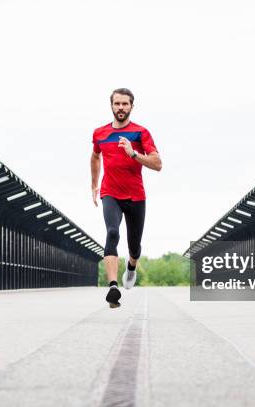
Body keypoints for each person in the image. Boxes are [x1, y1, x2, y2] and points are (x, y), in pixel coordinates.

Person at [90, 88, 162, 308]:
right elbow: (95, 156)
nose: (120, 108)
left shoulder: (141, 133)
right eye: (117, 104)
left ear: (132, 106)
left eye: (125, 104)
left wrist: (133, 153)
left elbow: (157, 164)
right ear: (111, 105)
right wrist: (94, 184)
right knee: (112, 232)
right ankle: (113, 286)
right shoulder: (100, 133)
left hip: (135, 196)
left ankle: (131, 267)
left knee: (134, 246)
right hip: (110, 192)